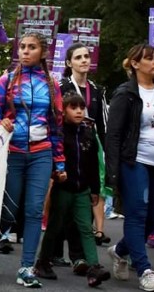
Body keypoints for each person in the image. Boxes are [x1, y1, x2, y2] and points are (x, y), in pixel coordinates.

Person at [105, 43, 154, 292]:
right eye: (149, 59)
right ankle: (144, 270)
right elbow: (114, 135)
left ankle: (120, 251)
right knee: (138, 214)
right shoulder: (126, 93)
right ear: (135, 64)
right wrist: (113, 172)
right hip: (136, 161)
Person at [0, 31, 65, 288]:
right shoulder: (5, 81)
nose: (25, 51)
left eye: (32, 47)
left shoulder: (52, 84)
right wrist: (1, 121)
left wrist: (59, 161)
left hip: (41, 154)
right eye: (22, 47)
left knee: (33, 211)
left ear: (43, 52)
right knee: (9, 212)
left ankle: (26, 268)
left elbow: (57, 126)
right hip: (13, 153)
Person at [35, 92, 111, 287]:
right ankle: (43, 262)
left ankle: (94, 267)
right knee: (55, 226)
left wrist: (94, 189)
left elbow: (94, 164)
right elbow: (51, 158)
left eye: (81, 107)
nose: (78, 111)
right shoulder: (58, 133)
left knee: (86, 228)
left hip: (82, 190)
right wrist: (54, 173)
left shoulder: (88, 133)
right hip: (63, 188)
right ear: (64, 110)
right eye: (73, 107)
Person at [53, 43, 111, 272]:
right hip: (66, 144)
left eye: (87, 56)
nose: (84, 60)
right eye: (78, 57)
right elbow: (56, 115)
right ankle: (54, 252)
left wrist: (104, 150)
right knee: (62, 198)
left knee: (83, 197)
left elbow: (103, 123)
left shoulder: (97, 90)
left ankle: (79, 256)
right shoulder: (61, 86)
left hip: (89, 145)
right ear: (69, 63)